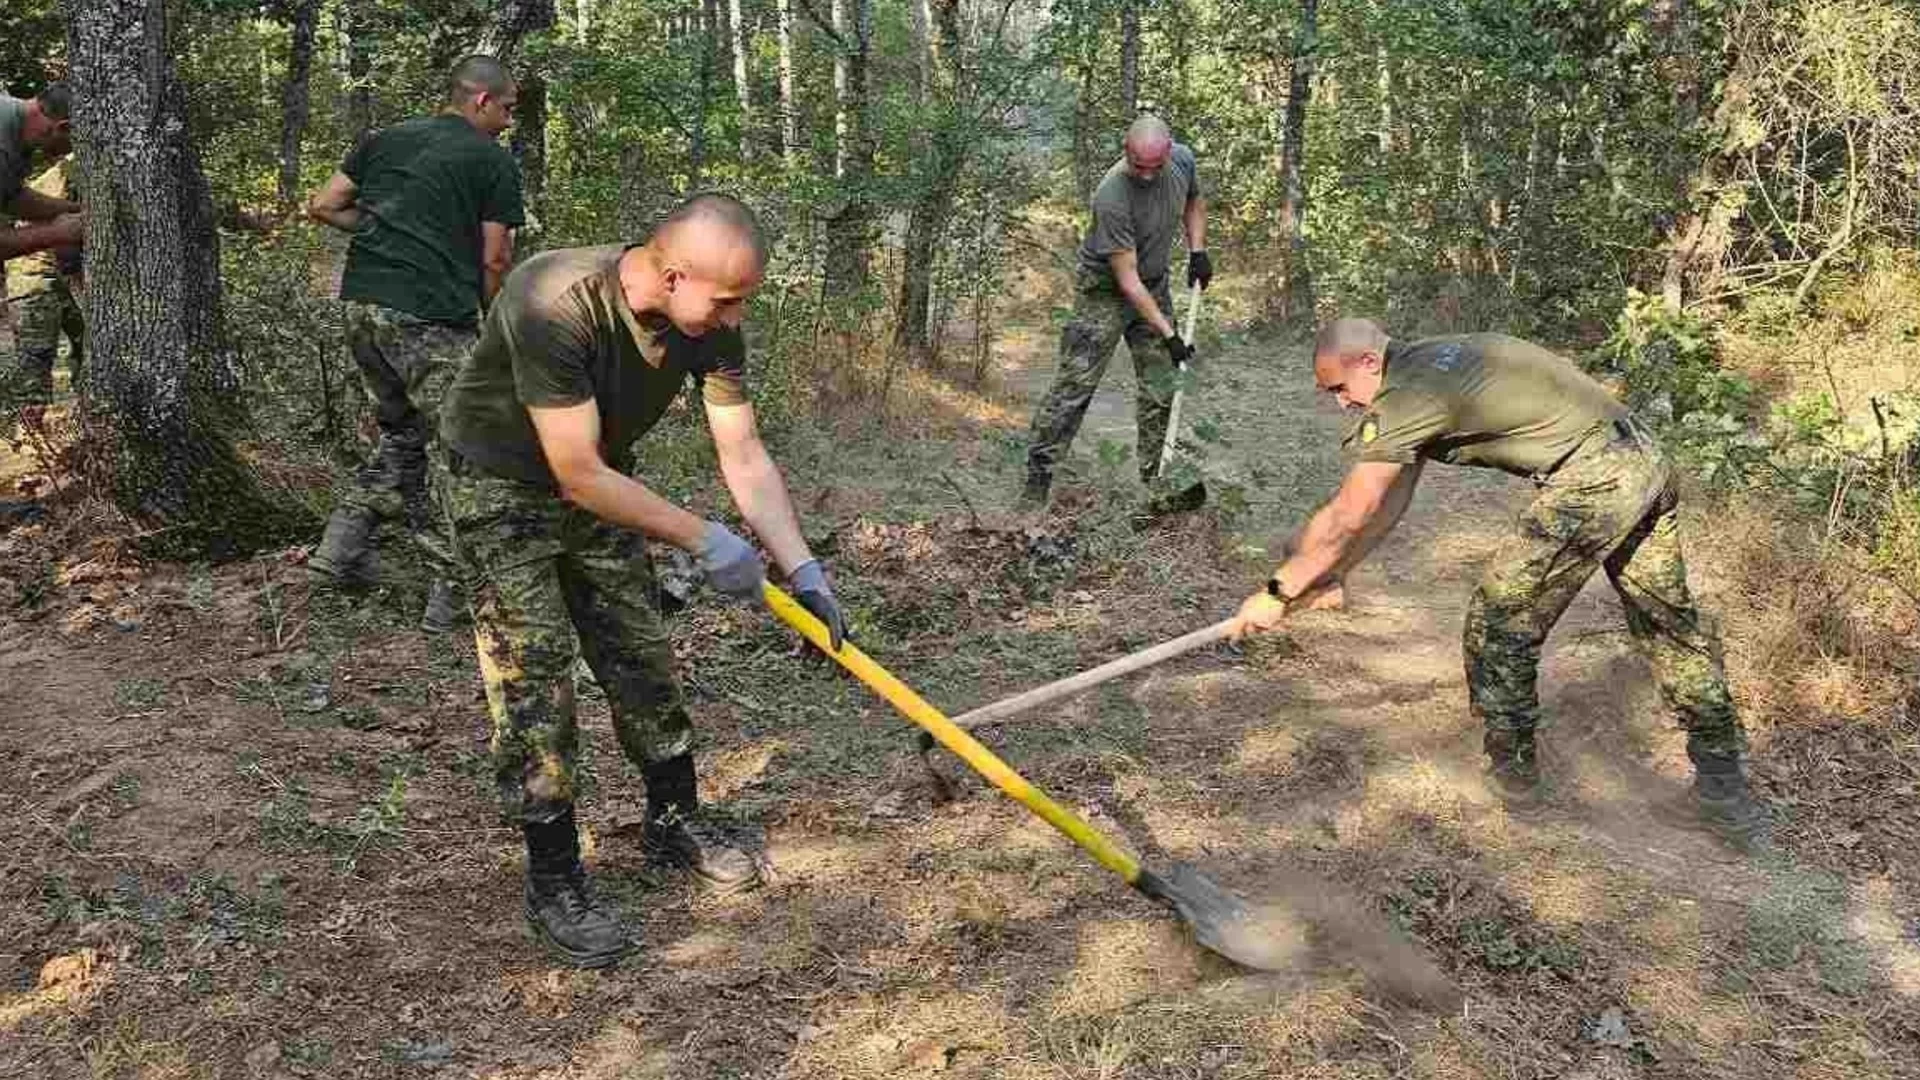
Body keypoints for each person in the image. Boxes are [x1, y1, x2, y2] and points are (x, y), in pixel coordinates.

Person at [434, 193, 848, 968]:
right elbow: (576, 471)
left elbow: (744, 451)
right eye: (726, 300)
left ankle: (671, 822)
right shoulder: (553, 300)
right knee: (536, 673)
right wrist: (704, 538)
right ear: (673, 272)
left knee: (637, 649)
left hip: (600, 483)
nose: (733, 318)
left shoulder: (709, 326)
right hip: (499, 484)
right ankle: (554, 876)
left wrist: (802, 568)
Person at [1229, 318, 1771, 851]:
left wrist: (1278, 592)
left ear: (1369, 361)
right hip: (1646, 460)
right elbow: (1390, 501)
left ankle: (1515, 791)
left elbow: (1352, 509)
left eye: (1340, 389)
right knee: (1668, 629)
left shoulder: (1407, 393)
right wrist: (1333, 574)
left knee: (1499, 623)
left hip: (1598, 477)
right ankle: (1725, 795)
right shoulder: (1429, 361)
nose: (1341, 405)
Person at [305, 55, 524, 633]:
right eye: (506, 109)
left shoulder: (383, 140)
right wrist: (497, 326)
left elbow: (323, 205)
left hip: (361, 308)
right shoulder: (492, 161)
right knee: (465, 448)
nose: (508, 122)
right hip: (431, 318)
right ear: (480, 101)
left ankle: (335, 555)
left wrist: (383, 234)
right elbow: (496, 258)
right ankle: (450, 600)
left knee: (404, 435)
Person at [1022, 114, 1212, 511]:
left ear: (1168, 152)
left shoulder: (1182, 161)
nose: (1145, 176)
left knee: (1161, 385)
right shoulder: (1112, 195)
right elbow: (1127, 283)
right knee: (1075, 386)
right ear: (1125, 151)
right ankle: (1037, 478)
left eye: (1153, 168)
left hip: (1154, 284)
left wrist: (1198, 250)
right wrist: (1170, 334)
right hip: (1105, 291)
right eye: (1137, 166)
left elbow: (1194, 201)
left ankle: (1155, 484)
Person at [7, 156, 84, 406]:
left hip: (57, 271)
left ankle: (91, 421)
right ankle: (30, 438)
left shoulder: (82, 167)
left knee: (92, 350)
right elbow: (67, 241)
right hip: (33, 273)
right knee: (35, 363)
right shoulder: (72, 170)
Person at [0, 83, 83, 264]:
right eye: (76, 145)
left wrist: (75, 210)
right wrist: (55, 234)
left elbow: (11, 197)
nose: (69, 152)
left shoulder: (14, 127)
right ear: (64, 127)